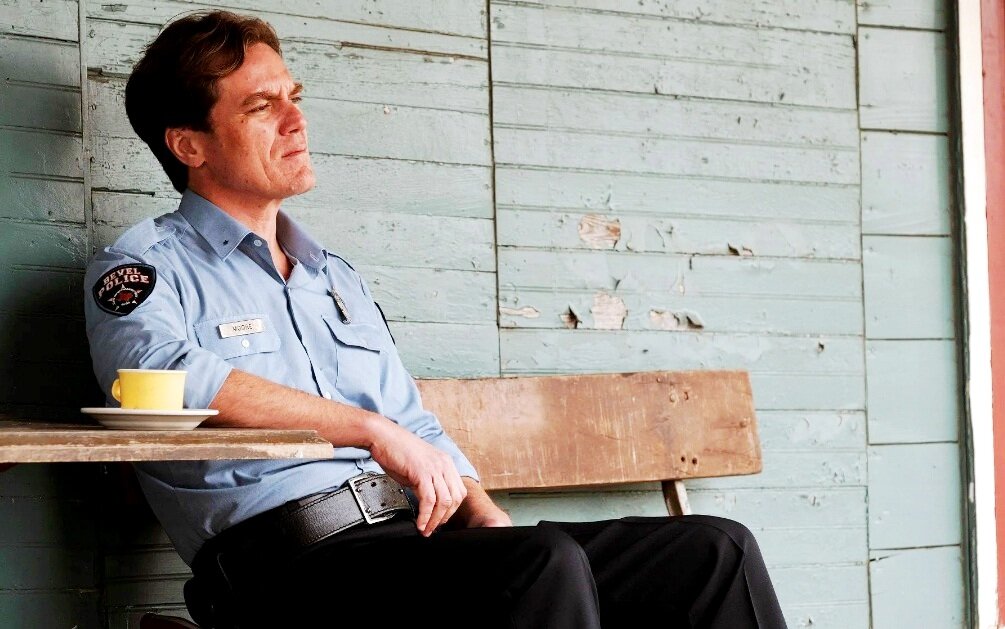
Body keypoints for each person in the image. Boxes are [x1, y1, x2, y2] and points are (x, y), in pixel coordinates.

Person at [84, 10, 787, 629]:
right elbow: (154, 379)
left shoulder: (334, 277)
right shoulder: (143, 268)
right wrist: (367, 430)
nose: (296, 121)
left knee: (711, 550)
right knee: (541, 563)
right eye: (261, 107)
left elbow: (410, 422)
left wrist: (479, 508)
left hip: (409, 537)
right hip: (287, 570)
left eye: (294, 97)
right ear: (190, 145)